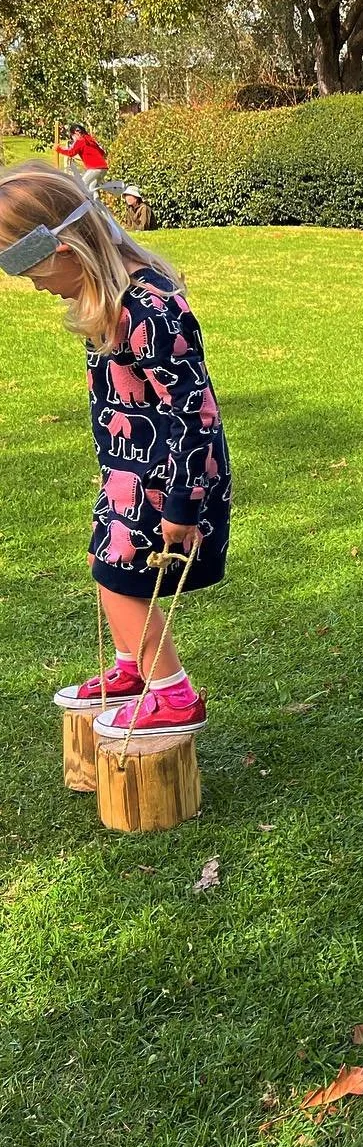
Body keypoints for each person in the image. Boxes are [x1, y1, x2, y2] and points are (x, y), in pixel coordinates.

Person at [0, 163, 230, 739]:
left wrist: (183, 506)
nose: (34, 285)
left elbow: (195, 414)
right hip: (132, 469)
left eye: (32, 271)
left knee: (123, 574)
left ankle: (173, 695)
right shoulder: (116, 305)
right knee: (106, 568)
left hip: (171, 474)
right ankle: (132, 670)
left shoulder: (148, 310)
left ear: (69, 249)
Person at [56, 124, 109, 195]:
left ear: (76, 133)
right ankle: (97, 205)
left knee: (81, 186)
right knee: (92, 190)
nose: (73, 139)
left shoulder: (80, 141)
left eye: (72, 136)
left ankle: (83, 204)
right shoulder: (90, 140)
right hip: (104, 169)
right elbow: (102, 153)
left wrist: (59, 150)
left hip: (95, 169)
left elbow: (71, 153)